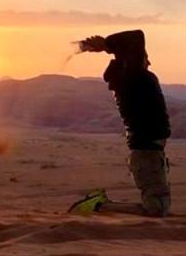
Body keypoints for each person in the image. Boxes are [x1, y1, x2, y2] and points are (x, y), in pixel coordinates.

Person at [69, 29, 172, 216]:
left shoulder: (131, 79)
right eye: (145, 57)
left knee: (159, 205)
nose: (148, 61)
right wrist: (107, 46)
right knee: (156, 209)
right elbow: (137, 36)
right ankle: (98, 206)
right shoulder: (134, 78)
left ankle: (100, 206)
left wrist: (109, 47)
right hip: (146, 151)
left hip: (150, 152)